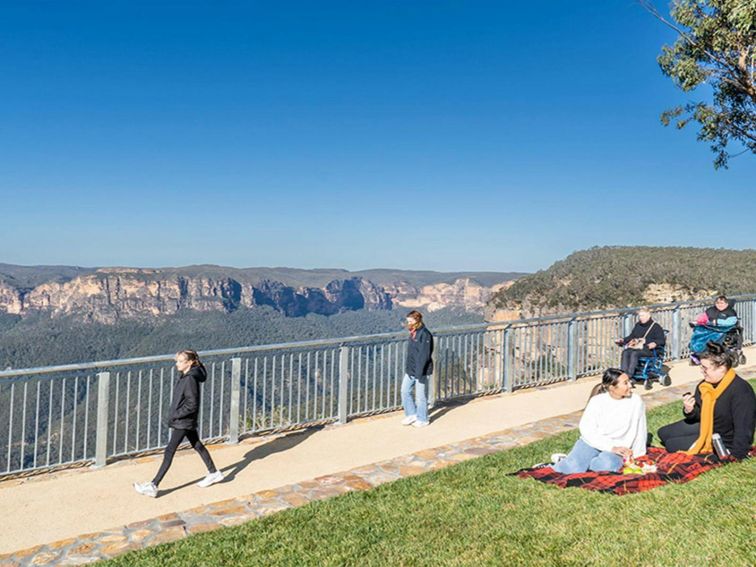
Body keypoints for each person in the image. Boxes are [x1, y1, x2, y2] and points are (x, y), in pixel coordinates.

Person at [134, 350, 224, 497]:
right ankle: (214, 472)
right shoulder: (187, 376)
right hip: (185, 420)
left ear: (189, 363)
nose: (177, 364)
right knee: (197, 445)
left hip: (184, 421)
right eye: (177, 361)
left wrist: (176, 415)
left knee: (170, 451)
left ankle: (153, 485)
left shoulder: (189, 379)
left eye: (180, 361)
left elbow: (192, 404)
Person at [658, 341, 755, 460]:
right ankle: (698, 437)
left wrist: (736, 455)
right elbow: (699, 414)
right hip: (706, 426)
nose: (702, 371)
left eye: (705, 368)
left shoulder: (741, 390)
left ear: (722, 368)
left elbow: (744, 428)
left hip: (722, 438)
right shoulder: (705, 386)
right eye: (701, 367)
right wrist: (690, 410)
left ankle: (703, 444)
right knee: (663, 433)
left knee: (671, 444)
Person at [551, 369, 647, 474]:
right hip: (593, 442)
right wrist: (611, 447)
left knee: (607, 465)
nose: (630, 385)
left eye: (629, 382)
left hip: (620, 447)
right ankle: (568, 462)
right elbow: (587, 430)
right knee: (573, 469)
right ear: (612, 387)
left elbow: (640, 429)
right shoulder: (597, 402)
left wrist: (639, 455)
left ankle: (580, 461)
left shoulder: (636, 401)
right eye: (625, 383)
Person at [401, 310, 434, 428]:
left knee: (420, 397)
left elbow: (424, 355)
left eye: (410, 321)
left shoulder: (425, 334)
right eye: (407, 321)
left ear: (417, 320)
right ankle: (411, 414)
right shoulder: (413, 332)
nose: (408, 323)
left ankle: (423, 419)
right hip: (411, 369)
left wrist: (419, 372)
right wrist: (409, 369)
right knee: (405, 391)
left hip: (421, 370)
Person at [616, 308, 665, 378]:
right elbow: (632, 336)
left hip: (649, 349)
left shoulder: (656, 327)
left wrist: (652, 343)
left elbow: (661, 340)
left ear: (648, 316)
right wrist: (623, 340)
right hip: (637, 347)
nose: (641, 318)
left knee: (634, 354)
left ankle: (629, 375)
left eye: (643, 316)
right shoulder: (638, 325)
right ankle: (623, 374)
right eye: (639, 316)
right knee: (626, 352)